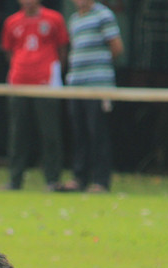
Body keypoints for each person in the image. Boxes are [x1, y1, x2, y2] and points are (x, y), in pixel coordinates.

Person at [1, 0, 70, 192]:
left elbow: (62, 48)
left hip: (45, 82)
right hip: (19, 81)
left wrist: (54, 72)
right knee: (17, 133)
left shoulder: (54, 19)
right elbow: (8, 50)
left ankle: (52, 180)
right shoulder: (12, 21)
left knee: (50, 133)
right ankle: (15, 180)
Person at [64, 0, 123, 193]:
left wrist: (99, 66)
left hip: (98, 85)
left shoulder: (103, 15)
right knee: (79, 133)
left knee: (97, 133)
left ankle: (100, 181)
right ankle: (79, 178)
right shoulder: (74, 19)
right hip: (76, 85)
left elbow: (117, 47)